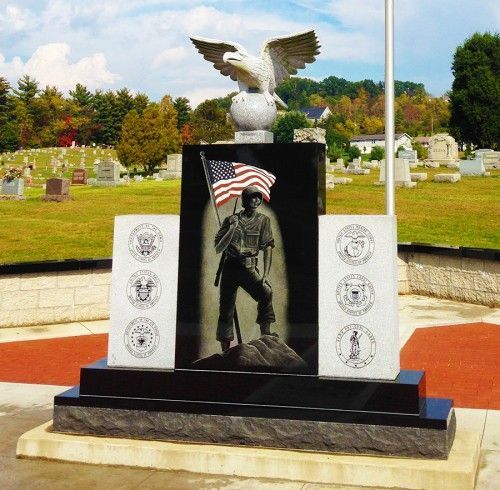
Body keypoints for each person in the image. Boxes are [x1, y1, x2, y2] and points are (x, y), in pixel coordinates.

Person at [214, 186, 276, 352]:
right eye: (251, 197)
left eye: (258, 197)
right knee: (226, 309)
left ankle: (266, 334)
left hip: (249, 268)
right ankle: (225, 348)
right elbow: (218, 248)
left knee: (266, 292)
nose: (255, 201)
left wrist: (265, 274)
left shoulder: (264, 220)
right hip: (230, 268)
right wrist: (232, 228)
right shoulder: (230, 219)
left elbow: (268, 247)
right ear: (244, 200)